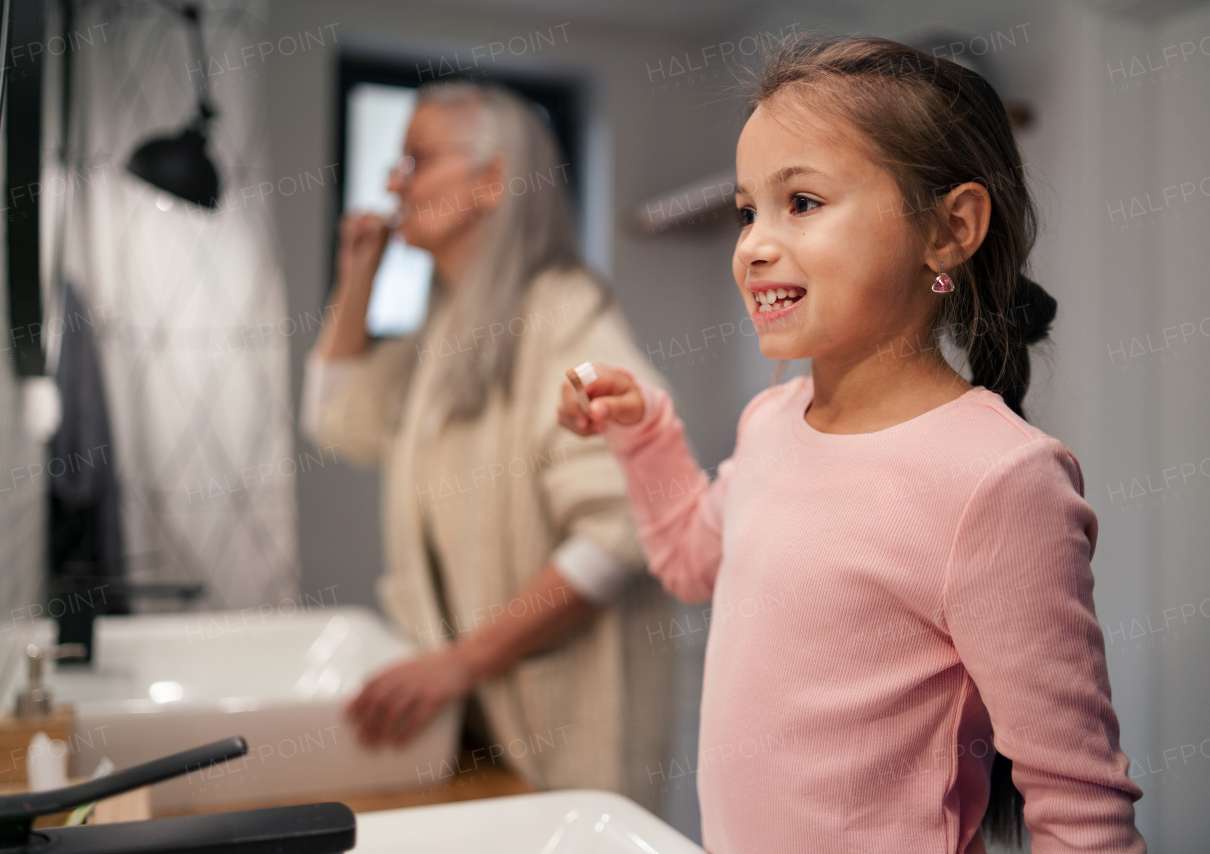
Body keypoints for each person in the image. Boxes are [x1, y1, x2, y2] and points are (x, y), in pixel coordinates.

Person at [558, 35, 1145, 854]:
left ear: (950, 230)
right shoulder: (771, 422)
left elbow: (1082, 813)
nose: (755, 244)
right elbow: (692, 560)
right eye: (746, 211)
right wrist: (644, 431)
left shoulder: (1000, 480)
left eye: (802, 202)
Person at [300, 80, 674, 810]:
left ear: (493, 179)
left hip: (556, 730)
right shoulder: (444, 329)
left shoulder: (565, 314)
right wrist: (356, 279)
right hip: (477, 723)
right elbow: (335, 422)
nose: (390, 181)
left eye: (416, 159)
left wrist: (458, 664)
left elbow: (622, 525)